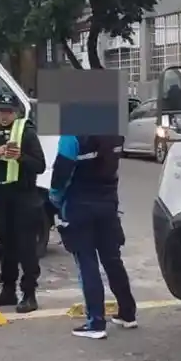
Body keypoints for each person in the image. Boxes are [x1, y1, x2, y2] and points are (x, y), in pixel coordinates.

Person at [50, 128, 137, 340]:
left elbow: (61, 173)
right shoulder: (114, 133)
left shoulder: (73, 135)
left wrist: (55, 199)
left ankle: (96, 322)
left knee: (86, 261)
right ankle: (127, 313)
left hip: (79, 206)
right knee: (112, 260)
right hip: (107, 204)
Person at [0, 93, 46, 313]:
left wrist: (20, 157)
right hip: (0, 197)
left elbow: (40, 165)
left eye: (9, 111)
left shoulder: (27, 131)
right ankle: (8, 291)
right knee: (7, 247)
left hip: (24, 196)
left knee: (26, 247)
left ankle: (29, 293)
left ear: (16, 112)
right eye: (1, 110)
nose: (4, 115)